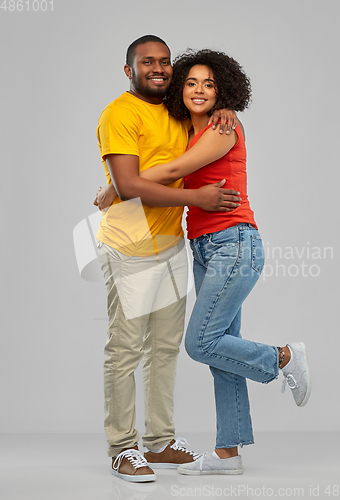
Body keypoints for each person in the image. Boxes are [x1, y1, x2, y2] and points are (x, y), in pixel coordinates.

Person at [103, 48, 312, 476]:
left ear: (224, 91)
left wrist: (123, 186)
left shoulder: (221, 126)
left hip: (229, 243)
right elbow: (161, 168)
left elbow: (174, 167)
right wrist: (123, 185)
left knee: (198, 344)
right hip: (190, 245)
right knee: (208, 349)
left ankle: (283, 357)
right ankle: (226, 453)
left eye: (210, 84)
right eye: (192, 83)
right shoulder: (173, 122)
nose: (199, 90)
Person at [94, 35, 241, 483]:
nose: (158, 68)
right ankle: (123, 448)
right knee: (125, 350)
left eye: (164, 62)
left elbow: (190, 150)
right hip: (128, 247)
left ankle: (159, 442)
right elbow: (134, 184)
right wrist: (195, 196)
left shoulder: (178, 110)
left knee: (163, 349)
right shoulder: (119, 113)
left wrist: (227, 109)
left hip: (171, 245)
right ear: (129, 70)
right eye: (147, 62)